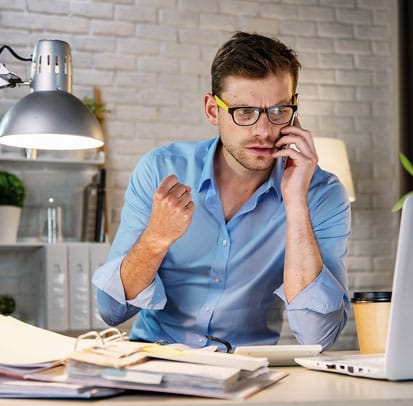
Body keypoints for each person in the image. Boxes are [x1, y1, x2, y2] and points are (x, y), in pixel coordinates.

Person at [93, 31, 351, 351]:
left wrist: (297, 202)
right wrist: (156, 239)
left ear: (294, 108)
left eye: (278, 111)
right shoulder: (160, 170)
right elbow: (111, 311)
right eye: (244, 112)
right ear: (213, 110)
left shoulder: (323, 195)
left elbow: (318, 337)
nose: (264, 131)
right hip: (155, 364)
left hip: (248, 373)